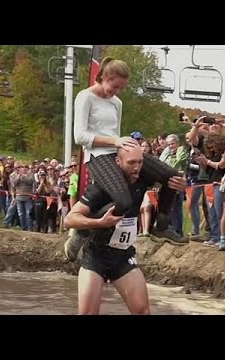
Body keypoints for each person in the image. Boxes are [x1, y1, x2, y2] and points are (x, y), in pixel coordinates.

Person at [66, 57, 186, 262]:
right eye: (115, 86)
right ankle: (82, 231)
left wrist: (128, 148)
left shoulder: (117, 102)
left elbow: (117, 132)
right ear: (104, 77)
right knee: (123, 200)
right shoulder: (85, 97)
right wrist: (115, 141)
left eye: (121, 88)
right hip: (97, 155)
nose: (117, 92)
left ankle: (162, 226)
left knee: (171, 176)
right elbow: (80, 136)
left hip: (117, 151)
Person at [64, 144, 186, 314]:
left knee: (143, 311)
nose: (136, 168)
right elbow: (69, 219)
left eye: (140, 162)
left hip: (122, 255)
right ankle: (80, 235)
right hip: (95, 256)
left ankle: (161, 228)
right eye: (131, 163)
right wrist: (100, 223)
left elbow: (168, 181)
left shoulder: (143, 178)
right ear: (118, 161)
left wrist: (178, 184)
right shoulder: (100, 188)